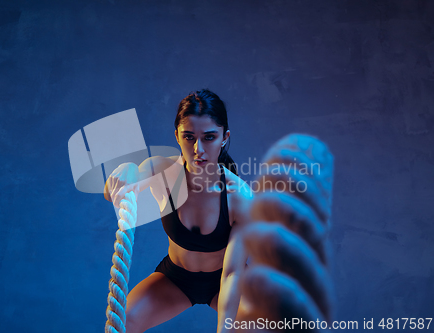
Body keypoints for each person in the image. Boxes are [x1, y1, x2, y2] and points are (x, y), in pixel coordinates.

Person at [105, 89, 332, 332]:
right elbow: (116, 191)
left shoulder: (240, 197)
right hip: (176, 278)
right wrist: (125, 171)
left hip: (226, 278)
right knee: (124, 322)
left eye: (209, 137)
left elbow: (232, 273)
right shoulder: (162, 173)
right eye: (189, 137)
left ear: (224, 138)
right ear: (177, 136)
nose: (198, 149)